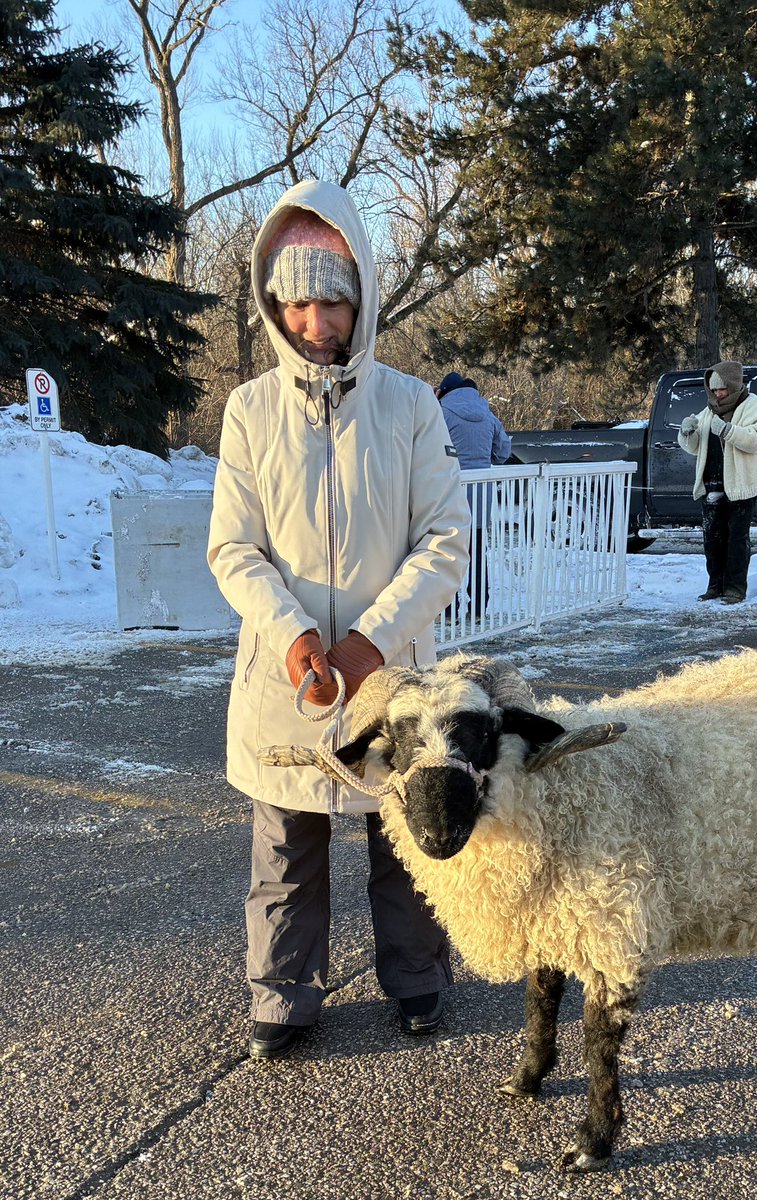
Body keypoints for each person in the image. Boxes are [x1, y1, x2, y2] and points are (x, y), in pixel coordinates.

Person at [207, 180, 471, 1060]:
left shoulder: (408, 405)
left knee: (404, 838)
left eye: (331, 299)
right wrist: (293, 637)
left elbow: (443, 543)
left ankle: (419, 980)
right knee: (286, 841)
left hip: (390, 676)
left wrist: (369, 642)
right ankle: (283, 992)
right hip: (290, 678)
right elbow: (233, 549)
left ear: (360, 299)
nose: (314, 319)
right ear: (274, 304)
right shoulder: (248, 411)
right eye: (297, 300)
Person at [677, 360, 757, 604]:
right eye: (714, 389)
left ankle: (735, 588)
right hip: (712, 484)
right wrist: (687, 432)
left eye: (722, 389)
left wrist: (728, 430)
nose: (718, 394)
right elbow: (695, 447)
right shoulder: (709, 410)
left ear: (733, 385)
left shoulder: (753, 406)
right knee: (712, 539)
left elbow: (756, 440)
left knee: (736, 539)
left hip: (740, 486)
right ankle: (714, 586)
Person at [435, 372, 511, 615]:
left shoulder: (441, 414)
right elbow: (503, 453)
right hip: (481, 496)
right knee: (477, 553)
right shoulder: (488, 415)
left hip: (449, 495)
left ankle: (449, 611)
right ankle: (478, 609)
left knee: (448, 553)